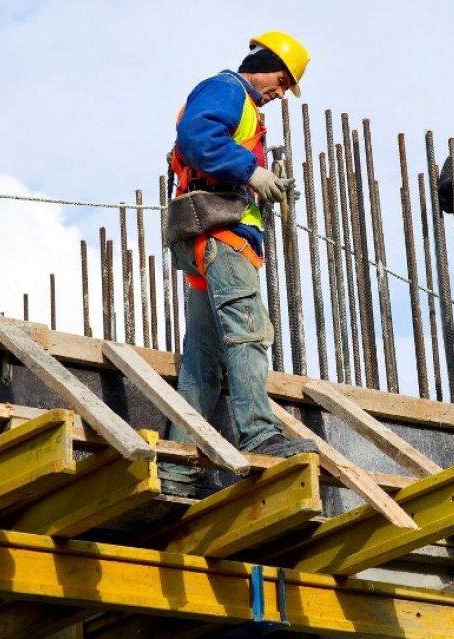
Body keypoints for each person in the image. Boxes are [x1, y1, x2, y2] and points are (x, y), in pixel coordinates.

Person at [161, 31, 318, 497]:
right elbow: (197, 137)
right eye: (281, 80)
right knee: (248, 333)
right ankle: (260, 433)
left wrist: (258, 181)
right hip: (222, 238)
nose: (280, 93)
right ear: (264, 63)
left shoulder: (243, 106)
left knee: (202, 364)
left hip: (209, 239)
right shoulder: (229, 90)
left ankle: (178, 469)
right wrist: (251, 172)